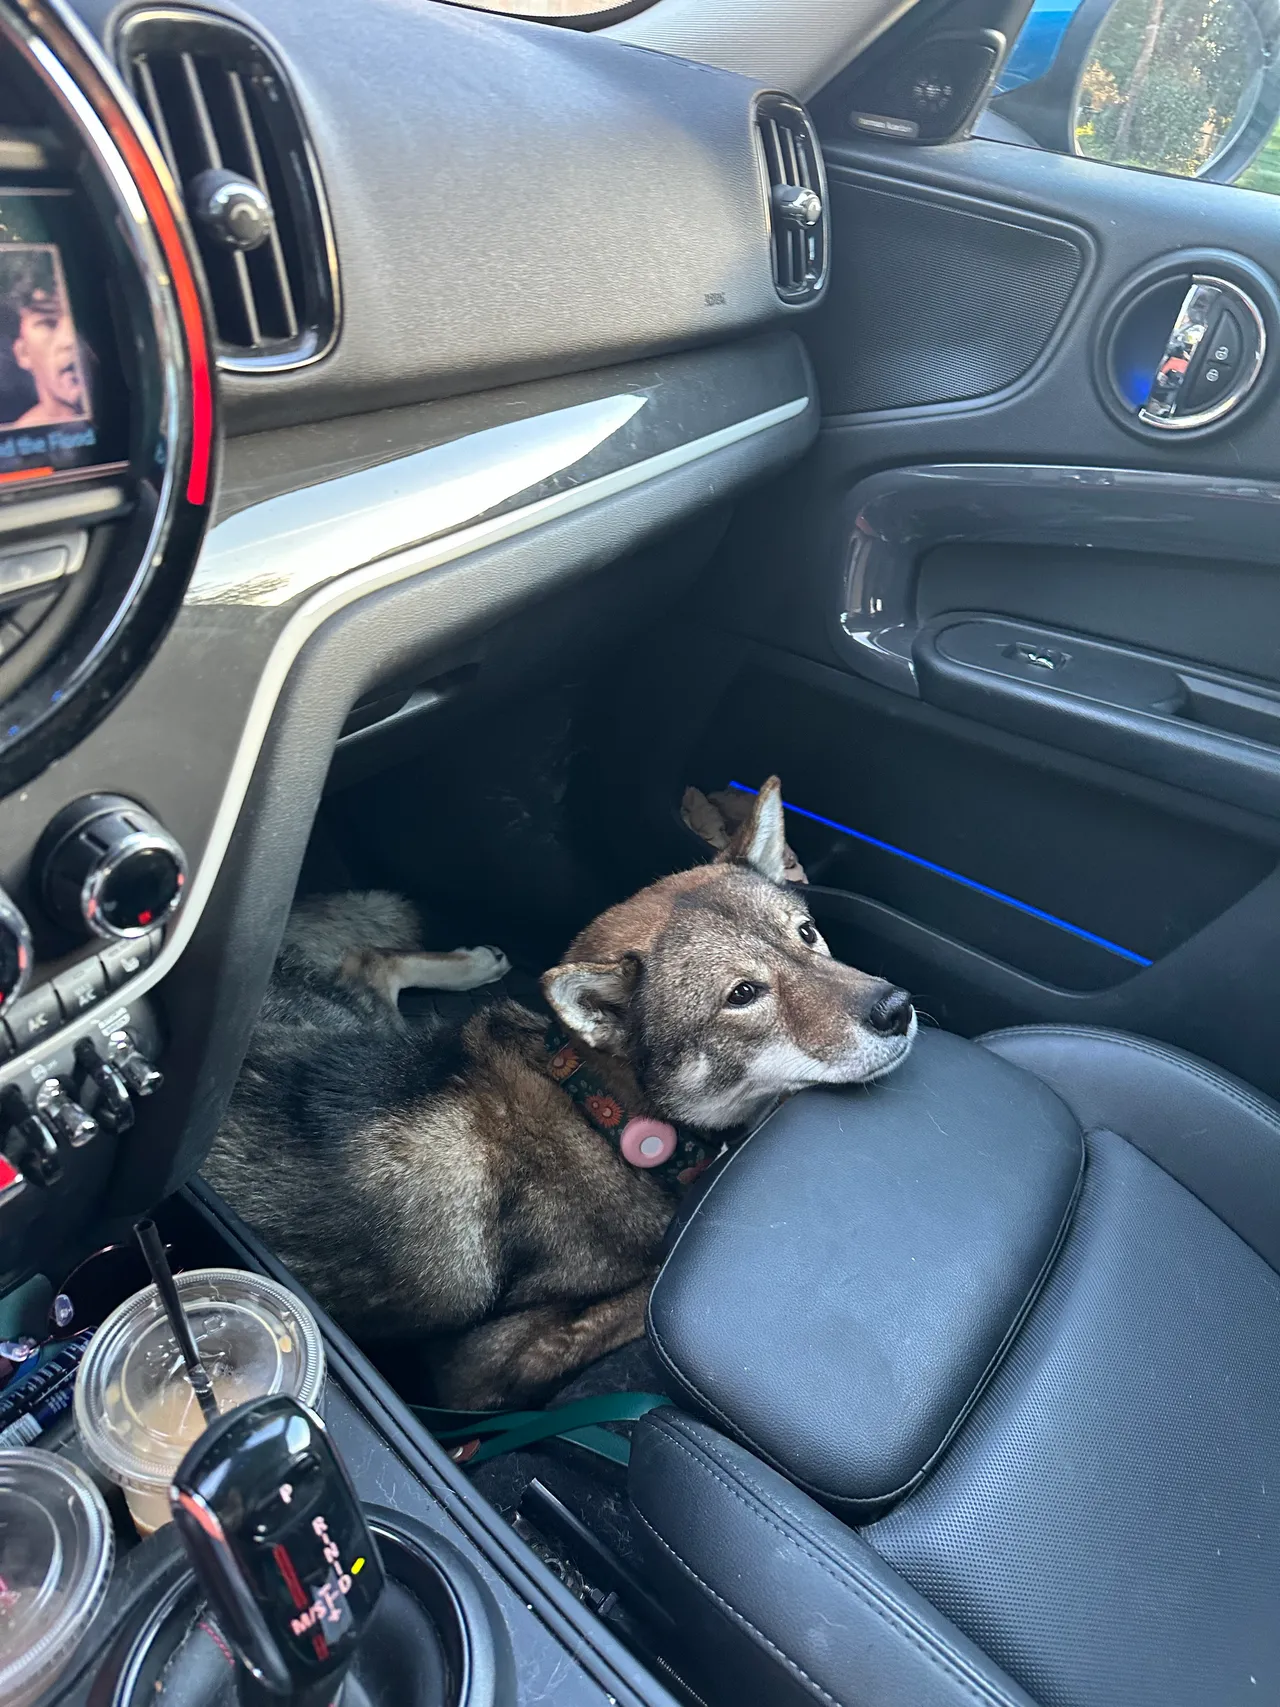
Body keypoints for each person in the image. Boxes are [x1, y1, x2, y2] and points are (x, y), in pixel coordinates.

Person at [0, 247, 87, 430]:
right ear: (23, 353)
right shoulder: (18, 447)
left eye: (82, 319)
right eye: (49, 323)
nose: (70, 339)